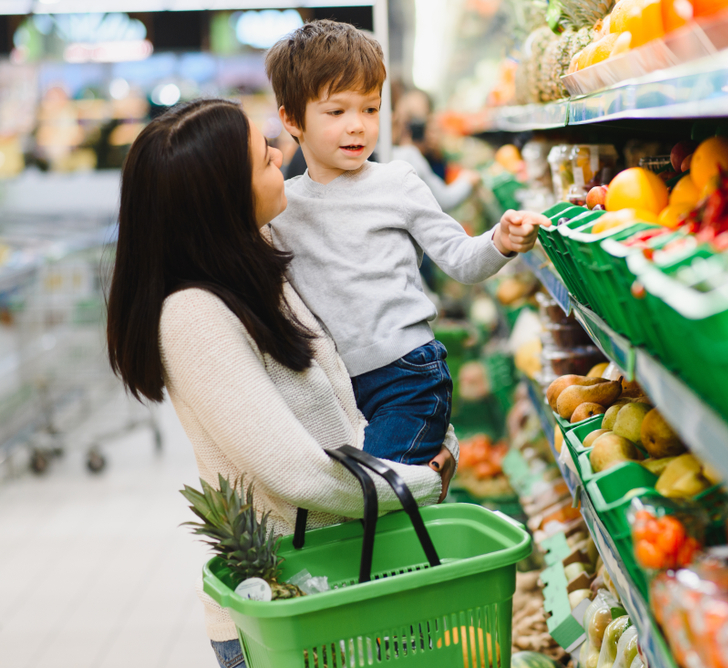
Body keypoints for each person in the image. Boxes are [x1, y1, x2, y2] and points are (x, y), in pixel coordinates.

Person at [105, 98, 458, 668]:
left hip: (337, 579)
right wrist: (421, 481)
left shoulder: (260, 262)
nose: (280, 153)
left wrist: (428, 437)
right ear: (222, 198)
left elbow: (340, 410)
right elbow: (296, 470)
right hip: (286, 610)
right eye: (261, 154)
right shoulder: (194, 316)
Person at [264, 20, 547, 468]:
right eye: (336, 112)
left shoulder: (398, 183)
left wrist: (501, 240)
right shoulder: (284, 206)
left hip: (407, 377)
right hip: (336, 388)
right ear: (292, 119)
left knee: (373, 496)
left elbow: (460, 260)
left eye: (370, 110)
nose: (357, 126)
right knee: (359, 505)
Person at [393, 88, 478, 212]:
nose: (412, 126)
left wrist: (437, 151)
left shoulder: (433, 151)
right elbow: (443, 200)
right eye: (408, 118)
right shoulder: (396, 153)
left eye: (418, 120)